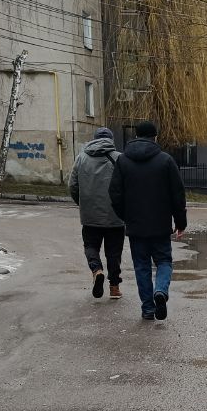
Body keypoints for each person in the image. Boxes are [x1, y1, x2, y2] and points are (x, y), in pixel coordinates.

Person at [108, 120, 187, 321]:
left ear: (136, 136)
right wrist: (180, 222)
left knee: (141, 266)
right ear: (155, 137)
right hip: (160, 226)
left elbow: (114, 193)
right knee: (164, 261)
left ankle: (148, 309)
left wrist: (126, 216)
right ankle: (160, 291)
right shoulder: (166, 161)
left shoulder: (123, 161)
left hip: (136, 226)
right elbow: (177, 195)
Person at [68, 127, 124, 300]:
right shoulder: (120, 158)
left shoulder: (81, 158)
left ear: (94, 139)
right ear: (111, 140)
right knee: (114, 253)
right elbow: (128, 185)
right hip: (115, 216)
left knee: (91, 246)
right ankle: (114, 288)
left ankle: (96, 269)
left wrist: (83, 203)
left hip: (90, 215)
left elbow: (73, 185)